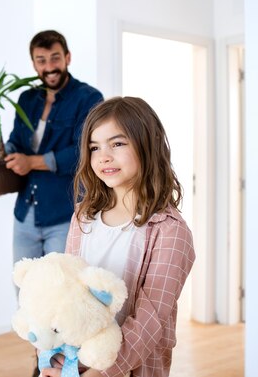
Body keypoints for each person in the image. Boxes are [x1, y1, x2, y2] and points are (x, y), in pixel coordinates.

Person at [41, 97, 196, 377]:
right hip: (74, 363)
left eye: (118, 143)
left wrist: (99, 373)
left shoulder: (170, 231)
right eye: (94, 147)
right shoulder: (83, 216)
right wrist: (55, 356)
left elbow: (151, 321)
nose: (103, 156)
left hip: (127, 369)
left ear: (147, 145)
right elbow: (67, 293)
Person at [0, 30, 103, 267]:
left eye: (55, 58)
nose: (49, 66)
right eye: (41, 60)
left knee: (60, 294)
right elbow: (16, 141)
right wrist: (1, 166)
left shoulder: (89, 98)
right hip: (25, 215)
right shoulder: (27, 99)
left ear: (68, 57)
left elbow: (83, 152)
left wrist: (30, 162)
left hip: (65, 215)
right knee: (25, 292)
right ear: (34, 64)